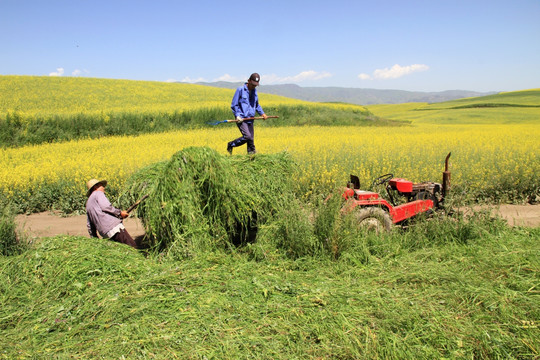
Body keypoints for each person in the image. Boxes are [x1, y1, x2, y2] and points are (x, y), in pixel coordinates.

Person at [85, 179, 137, 249]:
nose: (103, 188)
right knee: (132, 247)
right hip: (114, 228)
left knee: (121, 251)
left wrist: (94, 237)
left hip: (105, 233)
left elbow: (89, 225)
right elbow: (106, 207)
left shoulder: (88, 204)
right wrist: (120, 213)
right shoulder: (98, 193)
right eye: (101, 186)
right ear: (95, 187)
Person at [227, 73, 268, 155]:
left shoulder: (254, 91)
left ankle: (252, 158)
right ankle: (231, 144)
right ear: (248, 81)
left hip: (251, 119)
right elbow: (234, 105)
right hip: (241, 119)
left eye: (255, 85)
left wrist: (262, 113)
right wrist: (237, 115)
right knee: (248, 136)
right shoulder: (240, 90)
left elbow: (256, 105)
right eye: (253, 85)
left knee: (251, 140)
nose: (254, 87)